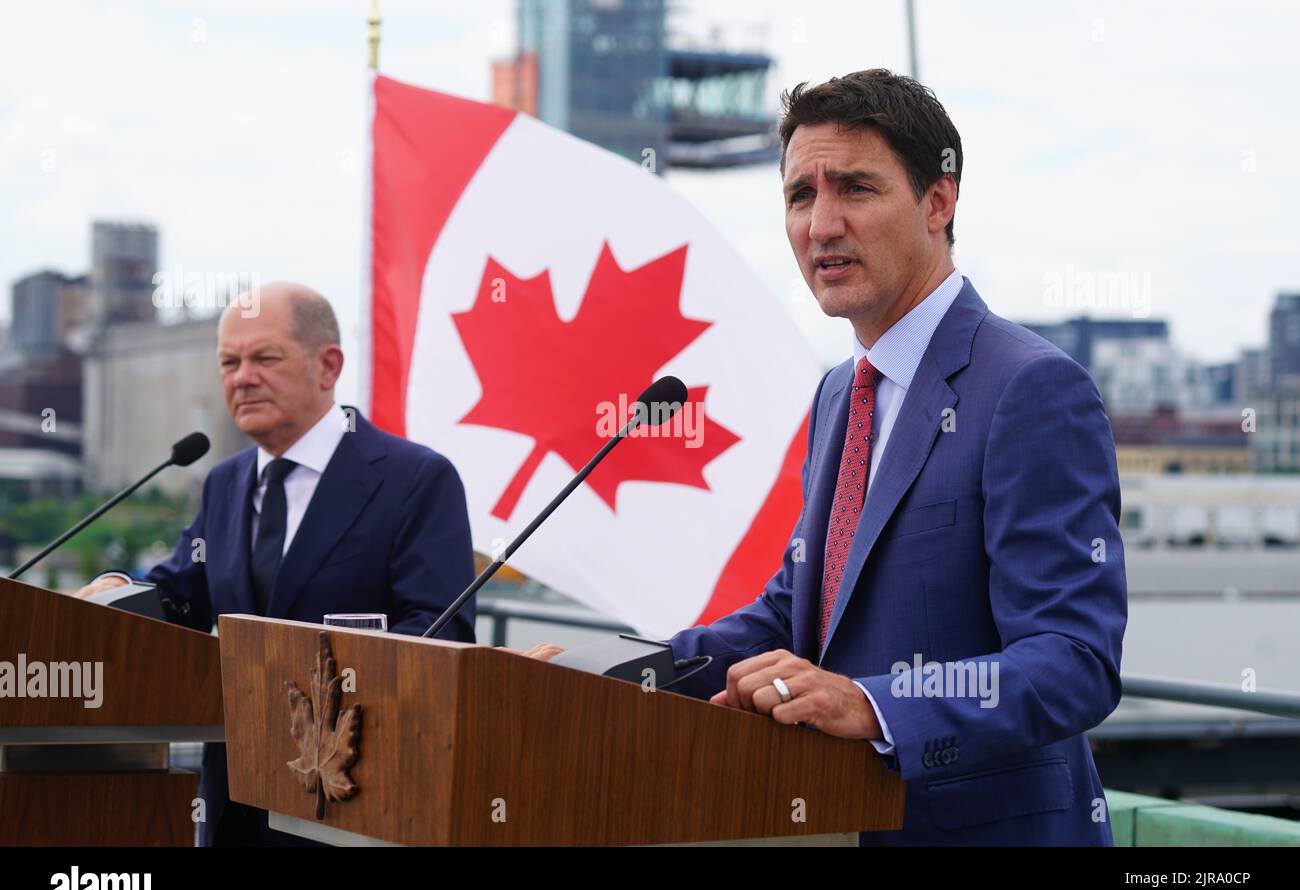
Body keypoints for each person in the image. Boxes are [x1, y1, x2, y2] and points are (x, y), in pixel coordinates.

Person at [531, 69, 1127, 846]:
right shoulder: (839, 394)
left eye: (855, 188)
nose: (822, 224)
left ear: (938, 203)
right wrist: (611, 674)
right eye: (800, 196)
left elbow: (1073, 660)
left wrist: (875, 705)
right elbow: (793, 613)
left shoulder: (1032, 388)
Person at [77, 281, 477, 845]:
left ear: (328, 366)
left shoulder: (415, 480)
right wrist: (112, 595)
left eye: (264, 357)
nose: (242, 377)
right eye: (229, 362)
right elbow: (179, 599)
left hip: (352, 807)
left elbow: (442, 631)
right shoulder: (224, 483)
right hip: (233, 808)